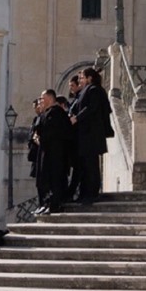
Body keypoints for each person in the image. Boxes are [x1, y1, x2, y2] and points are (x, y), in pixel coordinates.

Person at [71, 65, 113, 204]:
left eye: (82, 78)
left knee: (91, 165)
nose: (80, 80)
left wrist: (77, 118)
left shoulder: (94, 90)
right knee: (85, 164)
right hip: (85, 135)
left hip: (91, 134)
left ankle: (91, 193)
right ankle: (84, 193)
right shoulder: (86, 91)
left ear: (89, 78)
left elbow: (91, 108)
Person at [32, 87, 72, 214]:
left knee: (54, 179)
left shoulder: (56, 113)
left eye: (42, 99)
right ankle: (47, 203)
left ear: (49, 99)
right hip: (47, 152)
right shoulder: (47, 113)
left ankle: (55, 204)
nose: (40, 101)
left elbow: (53, 132)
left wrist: (40, 138)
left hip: (55, 154)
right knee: (46, 179)